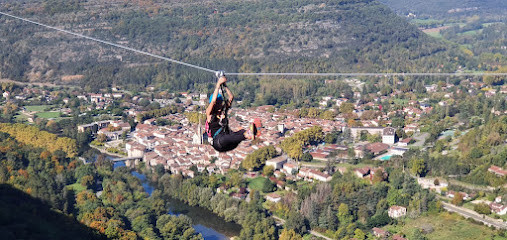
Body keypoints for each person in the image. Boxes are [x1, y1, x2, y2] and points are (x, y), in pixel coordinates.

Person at [206, 75, 259, 152]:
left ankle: (248, 133)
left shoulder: (223, 110)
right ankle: (247, 136)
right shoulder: (210, 114)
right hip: (219, 142)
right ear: (214, 105)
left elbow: (231, 97)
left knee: (241, 131)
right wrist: (218, 85)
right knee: (226, 138)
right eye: (218, 104)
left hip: (229, 144)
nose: (220, 105)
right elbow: (213, 101)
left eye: (221, 103)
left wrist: (225, 86)